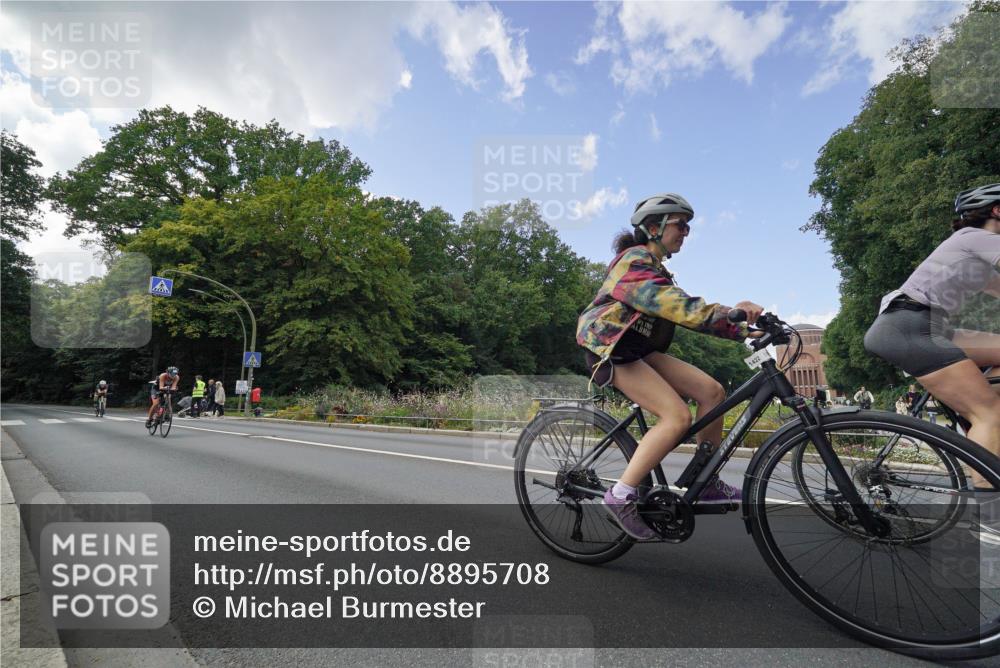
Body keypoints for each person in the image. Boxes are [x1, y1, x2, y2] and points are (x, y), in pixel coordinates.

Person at [576, 192, 763, 539]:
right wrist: (732, 317)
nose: (686, 232)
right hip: (611, 348)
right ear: (653, 226)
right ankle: (620, 496)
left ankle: (703, 478)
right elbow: (677, 306)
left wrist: (752, 328)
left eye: (689, 227)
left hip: (640, 350)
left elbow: (684, 307)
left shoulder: (659, 270)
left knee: (713, 392)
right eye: (681, 224)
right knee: (677, 416)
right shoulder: (632, 262)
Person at [864, 183, 1000, 489]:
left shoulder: (977, 256)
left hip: (931, 325)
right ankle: (992, 526)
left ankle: (986, 426)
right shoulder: (976, 238)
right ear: (997, 210)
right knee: (989, 413)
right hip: (907, 325)